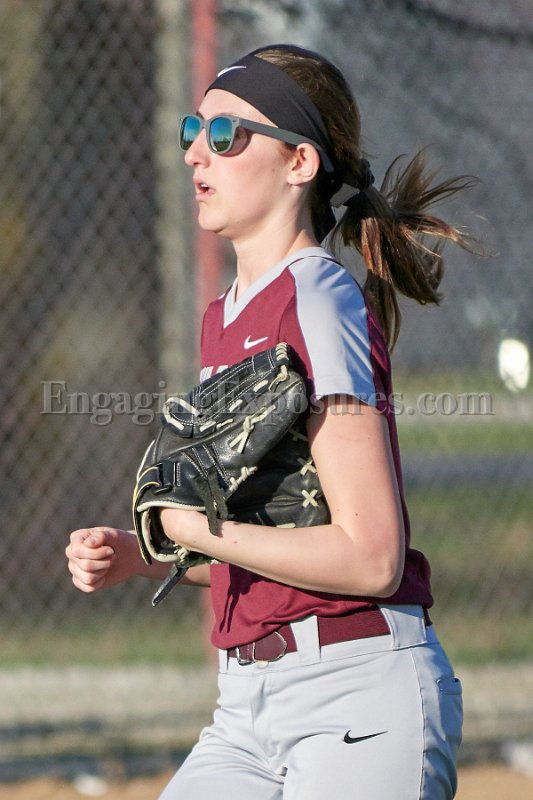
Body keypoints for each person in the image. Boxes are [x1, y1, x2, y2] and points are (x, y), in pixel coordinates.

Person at [66, 44, 477, 799]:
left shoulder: (316, 298)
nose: (196, 151)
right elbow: (274, 539)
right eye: (193, 129)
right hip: (247, 706)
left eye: (226, 134)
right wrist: (144, 554)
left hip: (354, 695)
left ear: (299, 163)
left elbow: (371, 558)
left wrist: (191, 529)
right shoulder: (221, 319)